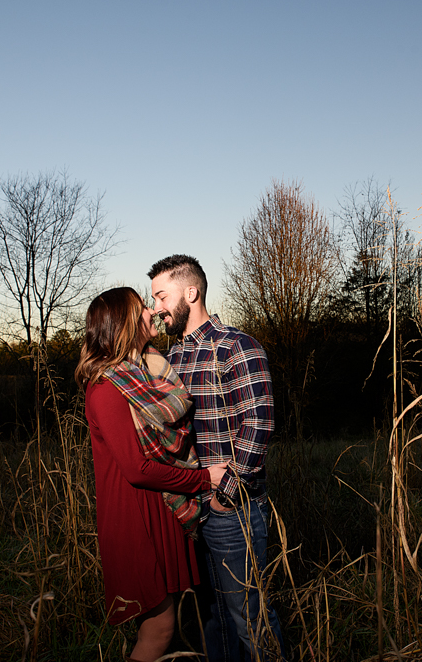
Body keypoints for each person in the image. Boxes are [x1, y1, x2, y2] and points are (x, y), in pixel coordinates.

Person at [75, 287, 228, 662]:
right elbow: (136, 468)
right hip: (134, 518)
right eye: (141, 306)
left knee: (165, 626)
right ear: (125, 323)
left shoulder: (143, 374)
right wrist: (203, 478)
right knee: (159, 631)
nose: (151, 311)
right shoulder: (106, 387)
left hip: (159, 508)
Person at [148, 254, 286, 662]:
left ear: (190, 293)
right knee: (214, 618)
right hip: (193, 510)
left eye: (161, 296)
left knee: (248, 616)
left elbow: (258, 425)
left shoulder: (237, 347)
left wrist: (225, 494)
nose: (156, 308)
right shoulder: (172, 358)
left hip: (233, 508)